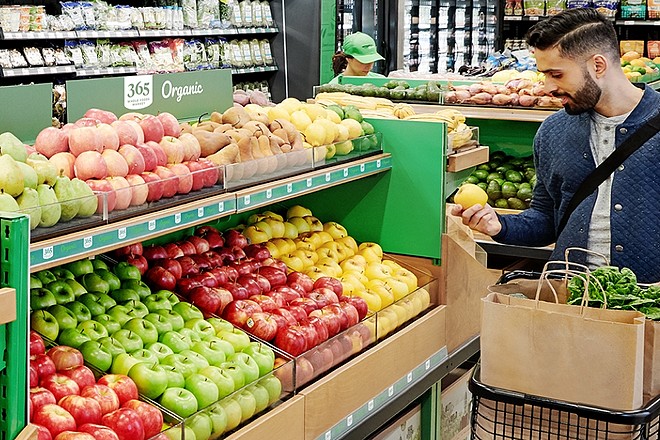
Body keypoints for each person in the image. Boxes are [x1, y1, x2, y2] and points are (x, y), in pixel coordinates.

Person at [450, 7, 660, 283]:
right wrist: (498, 224)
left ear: (598, 66)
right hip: (568, 297)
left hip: (647, 307)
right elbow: (546, 219)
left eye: (557, 75)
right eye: (543, 74)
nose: (546, 87)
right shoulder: (553, 131)